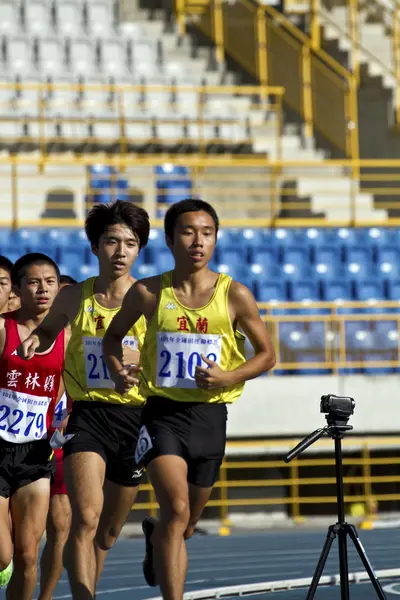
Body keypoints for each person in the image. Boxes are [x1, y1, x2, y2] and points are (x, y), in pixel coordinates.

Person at [102, 198, 276, 600]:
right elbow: (113, 337)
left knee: (188, 523)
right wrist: (116, 367)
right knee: (177, 511)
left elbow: (268, 354)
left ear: (215, 239)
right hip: (162, 413)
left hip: (210, 417)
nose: (198, 241)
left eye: (207, 233)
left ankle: (155, 535)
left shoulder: (235, 295)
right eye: (188, 231)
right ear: (169, 239)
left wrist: (229, 376)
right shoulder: (148, 292)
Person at [18, 200, 150, 600]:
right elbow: (49, 330)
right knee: (86, 519)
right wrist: (35, 342)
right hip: (88, 416)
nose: (120, 251)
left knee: (108, 532)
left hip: (137, 416)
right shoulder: (74, 296)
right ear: (95, 247)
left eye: (130, 242)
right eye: (111, 241)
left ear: (139, 249)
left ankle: (151, 537)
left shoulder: (152, 299)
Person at [0, 253, 66, 599]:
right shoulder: (3, 327)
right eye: (33, 282)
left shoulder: (67, 337)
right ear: (18, 288)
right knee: (4, 555)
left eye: (50, 282)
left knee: (28, 555)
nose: (42, 289)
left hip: (36, 451)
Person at [38, 274, 77, 600]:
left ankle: (45, 597)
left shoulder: (87, 338)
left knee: (61, 528)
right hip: (22, 440)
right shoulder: (31, 335)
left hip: (63, 443)